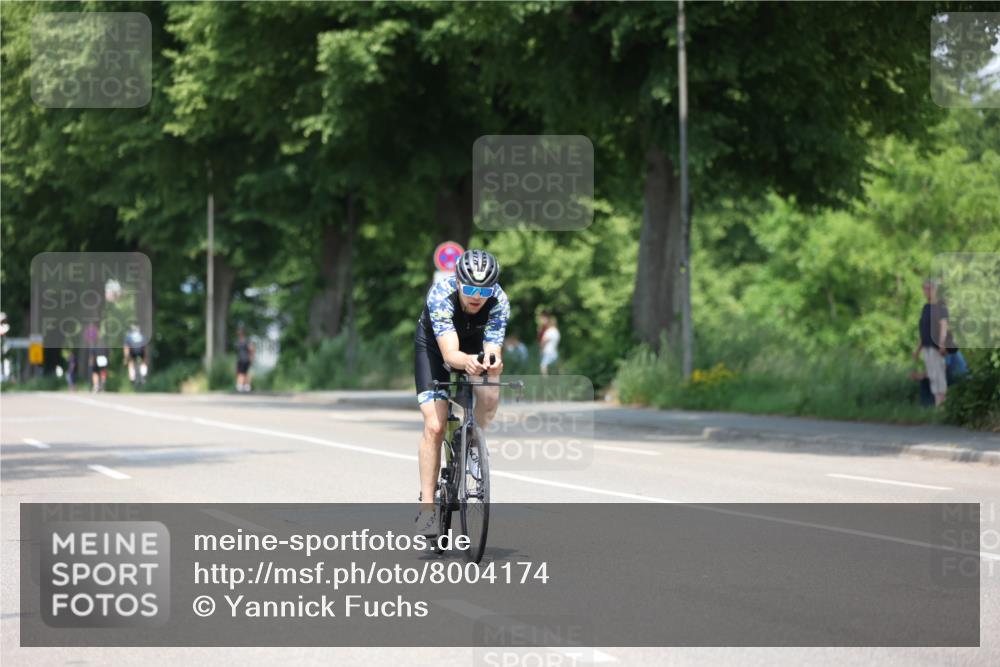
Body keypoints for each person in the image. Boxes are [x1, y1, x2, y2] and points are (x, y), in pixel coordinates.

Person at [413, 249, 509, 533]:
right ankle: (427, 507)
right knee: (435, 425)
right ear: (457, 282)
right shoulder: (441, 295)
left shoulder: (499, 301)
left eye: (484, 290)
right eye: (469, 289)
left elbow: (492, 347)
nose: (476, 296)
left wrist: (493, 362)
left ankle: (472, 444)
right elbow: (451, 353)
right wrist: (467, 362)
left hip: (474, 345)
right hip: (436, 348)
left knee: (490, 394)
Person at [913, 278, 951, 407]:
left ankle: (942, 405)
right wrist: (918, 349)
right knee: (933, 376)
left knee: (938, 376)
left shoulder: (940, 306)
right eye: (924, 288)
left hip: (936, 347)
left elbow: (943, 325)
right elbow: (924, 330)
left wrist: (941, 343)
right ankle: (938, 404)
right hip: (927, 347)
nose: (925, 291)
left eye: (928, 288)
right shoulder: (926, 307)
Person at [538, 311, 561, 376]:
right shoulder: (557, 332)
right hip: (554, 352)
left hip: (547, 352)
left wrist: (541, 349)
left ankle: (546, 382)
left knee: (543, 367)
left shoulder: (549, 331)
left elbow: (543, 341)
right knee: (554, 369)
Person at [235, 327, 255, 392]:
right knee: (240, 373)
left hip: (246, 359)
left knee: (244, 373)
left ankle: (245, 386)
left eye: (239, 332)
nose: (238, 333)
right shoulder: (239, 341)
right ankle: (241, 386)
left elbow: (251, 349)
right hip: (240, 359)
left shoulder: (246, 340)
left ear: (242, 333)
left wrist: (251, 358)